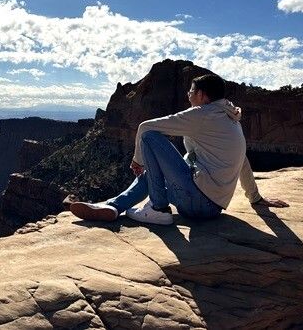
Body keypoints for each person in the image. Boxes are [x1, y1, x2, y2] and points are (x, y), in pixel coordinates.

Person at [70, 74, 289, 225]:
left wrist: (137, 161)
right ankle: (112, 207)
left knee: (150, 137)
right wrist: (255, 197)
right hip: (212, 208)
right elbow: (242, 159)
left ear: (202, 95)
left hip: (196, 202)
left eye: (191, 91)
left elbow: (145, 127)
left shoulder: (202, 115)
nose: (188, 94)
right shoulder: (231, 119)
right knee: (160, 168)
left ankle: (158, 209)